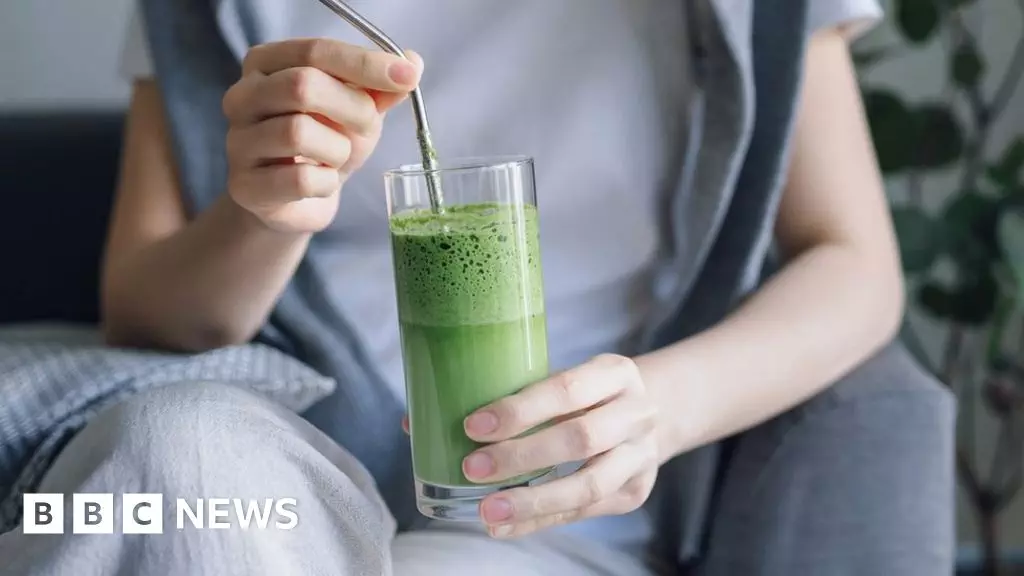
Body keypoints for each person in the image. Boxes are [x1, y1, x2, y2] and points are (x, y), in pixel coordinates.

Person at [0, 1, 956, 575]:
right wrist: (264, 212)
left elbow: (854, 263)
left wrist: (654, 410)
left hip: (544, 521)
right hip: (285, 476)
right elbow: (145, 311)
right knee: (177, 452)